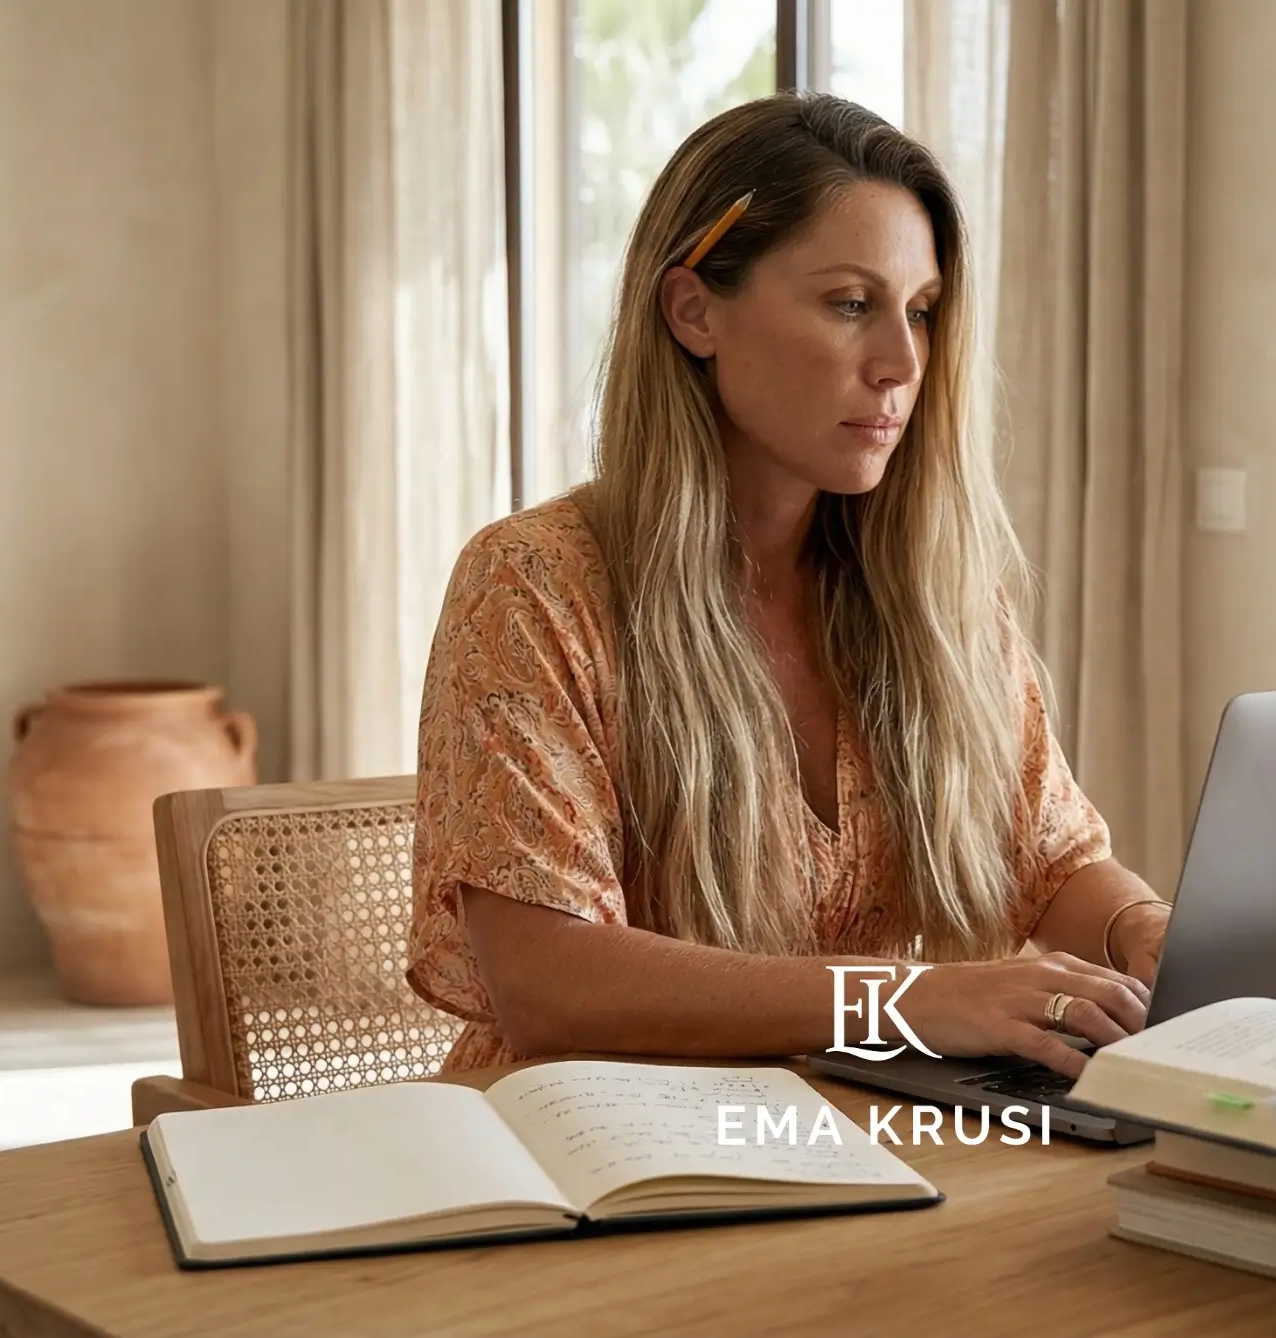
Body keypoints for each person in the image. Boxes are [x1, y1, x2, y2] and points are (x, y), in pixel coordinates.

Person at [406, 92, 1170, 1081]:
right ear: (693, 311)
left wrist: (1146, 935)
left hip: (854, 1134)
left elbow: (1056, 865)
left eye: (922, 312)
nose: (902, 363)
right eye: (851, 303)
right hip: (584, 1161)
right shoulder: (534, 583)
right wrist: (905, 1000)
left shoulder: (935, 596)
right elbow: (549, 984)